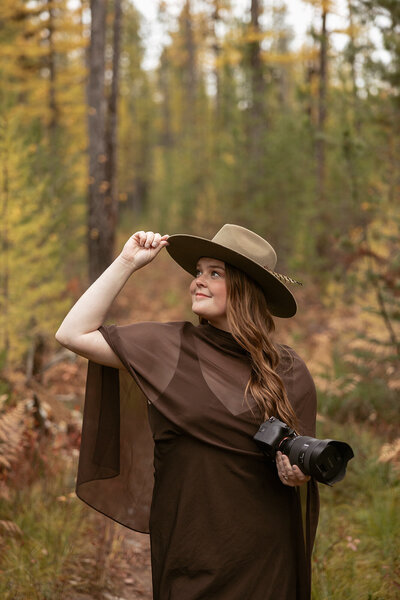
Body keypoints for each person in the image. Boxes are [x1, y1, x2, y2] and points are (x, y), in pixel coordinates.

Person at [55, 224, 319, 600]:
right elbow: (72, 334)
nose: (198, 281)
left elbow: (300, 459)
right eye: (198, 272)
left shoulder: (289, 371)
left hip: (265, 554)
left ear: (245, 287)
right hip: (190, 551)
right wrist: (126, 262)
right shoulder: (171, 348)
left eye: (215, 273)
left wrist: (297, 475)